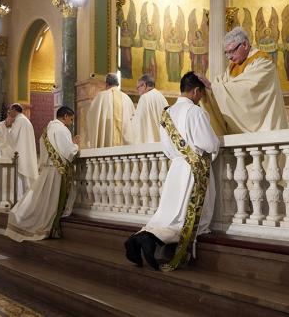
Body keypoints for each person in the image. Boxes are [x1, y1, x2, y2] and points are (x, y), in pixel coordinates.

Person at [125, 72, 219, 271]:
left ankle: (140, 237)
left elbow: (167, 149)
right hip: (194, 171)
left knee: (167, 213)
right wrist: (216, 146)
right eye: (201, 95)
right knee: (187, 220)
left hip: (176, 168)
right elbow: (209, 144)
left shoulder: (166, 113)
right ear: (195, 91)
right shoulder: (196, 112)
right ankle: (150, 240)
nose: (201, 99)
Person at [5, 106, 80, 242]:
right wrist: (75, 144)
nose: (72, 122)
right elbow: (69, 152)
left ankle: (22, 217)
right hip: (57, 172)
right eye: (71, 118)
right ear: (65, 116)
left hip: (48, 169)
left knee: (41, 200)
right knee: (50, 203)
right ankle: (43, 226)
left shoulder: (48, 128)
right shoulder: (62, 129)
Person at [201, 26, 288, 135]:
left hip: (266, 129)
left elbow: (248, 89)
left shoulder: (262, 62)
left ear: (245, 45)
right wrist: (208, 88)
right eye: (226, 53)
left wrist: (214, 88)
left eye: (232, 51)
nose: (229, 57)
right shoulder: (233, 67)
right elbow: (220, 83)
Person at [0, 103, 39, 199]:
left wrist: (7, 129)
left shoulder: (19, 121)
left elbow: (12, 138)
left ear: (14, 110)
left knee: (19, 177)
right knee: (24, 179)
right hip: (25, 153)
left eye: (10, 110)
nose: (8, 112)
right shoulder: (26, 121)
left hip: (19, 154)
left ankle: (19, 199)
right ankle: (25, 198)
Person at [86, 73, 135, 148]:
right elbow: (133, 121)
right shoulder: (127, 98)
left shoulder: (101, 97)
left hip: (106, 142)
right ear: (117, 84)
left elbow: (91, 117)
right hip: (125, 147)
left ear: (106, 84)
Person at [129, 74, 169, 144]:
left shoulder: (144, 98)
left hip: (149, 145)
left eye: (138, 87)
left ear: (144, 85)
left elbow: (138, 124)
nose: (137, 90)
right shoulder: (162, 97)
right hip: (163, 144)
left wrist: (132, 120)